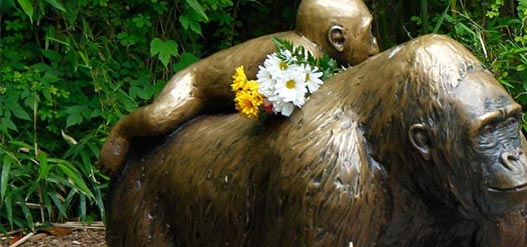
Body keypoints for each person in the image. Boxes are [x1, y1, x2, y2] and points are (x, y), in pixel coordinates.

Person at [98, 0, 379, 175]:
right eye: (368, 36)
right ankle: (122, 132)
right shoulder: (301, 57)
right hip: (195, 85)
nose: (375, 45)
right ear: (337, 39)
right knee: (160, 117)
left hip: (233, 103)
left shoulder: (321, 55)